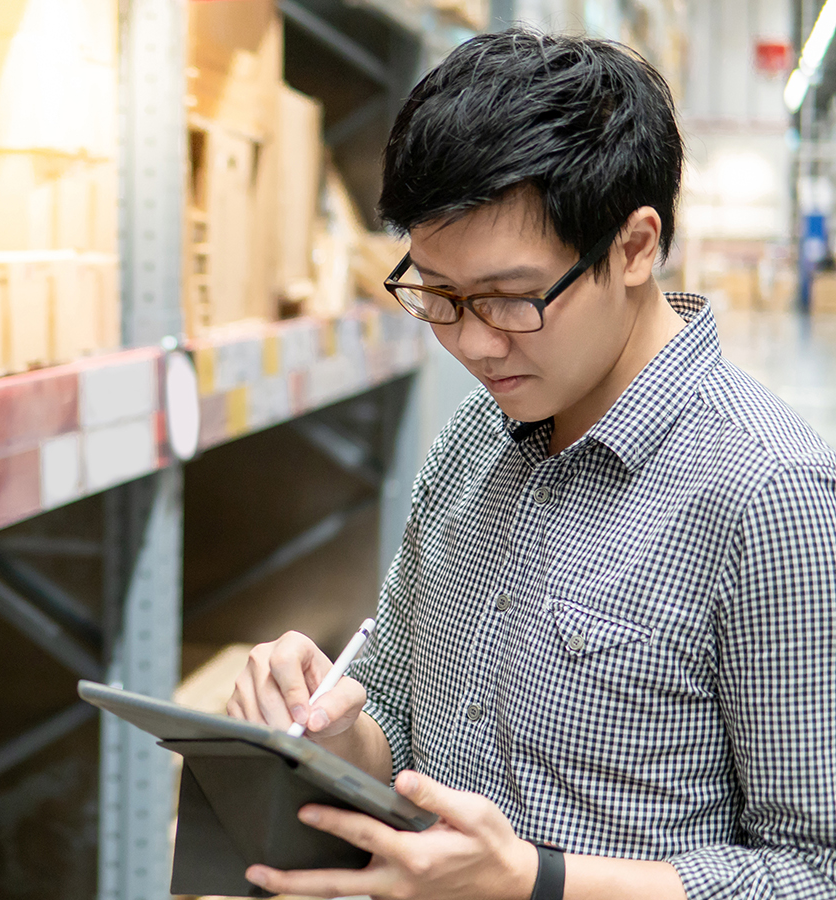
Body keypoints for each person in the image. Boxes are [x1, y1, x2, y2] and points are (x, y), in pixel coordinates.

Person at [226, 28, 836, 900]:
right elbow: (395, 710)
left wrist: (537, 883)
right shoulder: (472, 444)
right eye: (438, 294)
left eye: (510, 299)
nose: (471, 343)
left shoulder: (772, 498)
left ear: (634, 248)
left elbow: (817, 869)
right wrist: (326, 731)